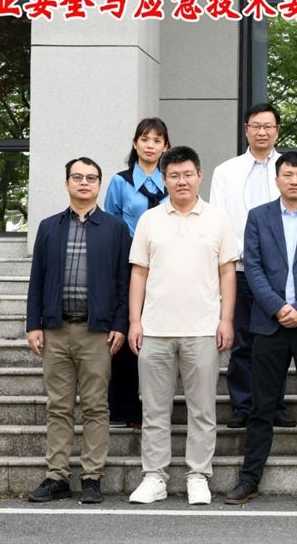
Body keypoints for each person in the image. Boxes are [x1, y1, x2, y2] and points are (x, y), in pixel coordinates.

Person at [226, 152, 297, 506]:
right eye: (288, 174)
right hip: (268, 323)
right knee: (261, 406)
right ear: (276, 180)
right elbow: (253, 268)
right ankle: (250, 478)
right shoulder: (258, 217)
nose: (294, 180)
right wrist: (278, 307)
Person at [127, 146, 238, 506]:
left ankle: (198, 476)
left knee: (202, 410)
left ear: (199, 176)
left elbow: (227, 273)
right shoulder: (149, 220)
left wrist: (226, 319)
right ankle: (154, 477)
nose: (181, 181)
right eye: (173, 175)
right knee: (154, 410)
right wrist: (134, 321)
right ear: (164, 179)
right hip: (155, 329)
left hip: (203, 329)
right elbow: (139, 273)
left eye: (188, 174)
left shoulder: (218, 219)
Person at [25, 157, 131, 504]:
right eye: (77, 177)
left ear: (99, 185)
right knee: (58, 405)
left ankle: (91, 477)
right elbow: (37, 280)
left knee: (96, 406)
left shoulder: (116, 228)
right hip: (55, 329)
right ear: (67, 183)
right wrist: (33, 324)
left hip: (96, 332)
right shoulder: (49, 227)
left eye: (91, 178)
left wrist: (120, 325)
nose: (84, 182)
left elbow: (124, 282)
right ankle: (56, 477)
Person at [210, 103, 294, 430]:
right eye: (256, 126)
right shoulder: (226, 171)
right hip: (241, 269)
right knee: (243, 341)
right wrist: (242, 253)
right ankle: (243, 405)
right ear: (246, 129)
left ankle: (275, 405)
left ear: (277, 130)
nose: (262, 132)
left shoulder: (289, 168)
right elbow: (218, 219)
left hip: (280, 271)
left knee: (276, 342)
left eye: (268, 126)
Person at [103, 117, 170, 430]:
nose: (150, 145)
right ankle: (126, 407)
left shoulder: (172, 180)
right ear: (135, 143)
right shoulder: (120, 182)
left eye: (157, 140)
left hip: (166, 262)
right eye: (145, 139)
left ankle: (160, 404)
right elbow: (111, 225)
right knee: (128, 328)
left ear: (165, 146)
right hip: (129, 262)